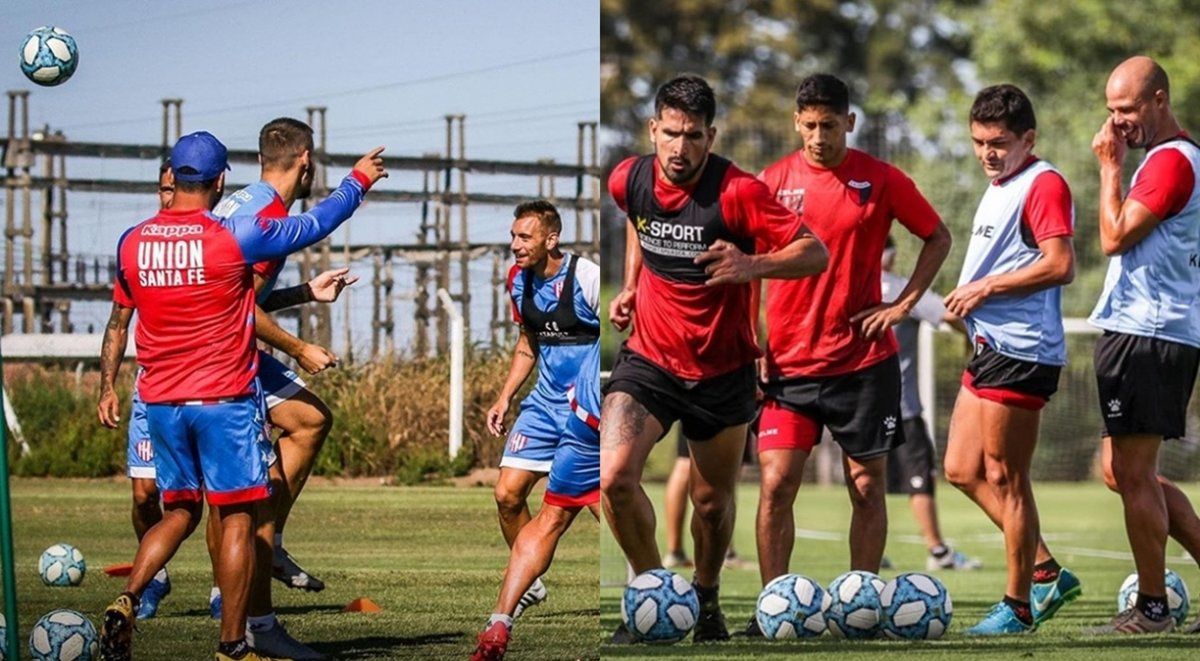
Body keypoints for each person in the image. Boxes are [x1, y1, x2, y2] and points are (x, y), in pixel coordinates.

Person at [96, 131, 385, 661]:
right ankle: (234, 645)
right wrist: (358, 180)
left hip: (160, 399)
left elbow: (118, 323)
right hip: (222, 399)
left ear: (172, 178)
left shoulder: (132, 242)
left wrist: (103, 387)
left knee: (178, 512)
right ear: (222, 178)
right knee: (238, 519)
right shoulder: (233, 237)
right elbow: (319, 223)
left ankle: (127, 598)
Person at [601, 74, 828, 643]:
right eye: (671, 134)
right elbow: (639, 222)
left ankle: (704, 600)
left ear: (712, 135)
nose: (681, 148)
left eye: (695, 136)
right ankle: (652, 593)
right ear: (653, 130)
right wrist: (631, 284)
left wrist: (751, 266)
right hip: (649, 358)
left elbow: (814, 251)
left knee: (710, 504)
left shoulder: (739, 193)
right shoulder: (627, 179)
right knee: (614, 480)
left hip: (722, 370)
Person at [749, 73, 951, 635]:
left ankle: (861, 609)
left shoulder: (880, 179)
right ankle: (773, 608)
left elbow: (938, 236)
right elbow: (745, 266)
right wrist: (751, 340)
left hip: (863, 365)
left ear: (849, 123)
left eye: (829, 125)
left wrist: (904, 303)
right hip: (786, 367)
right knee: (776, 485)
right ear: (796, 122)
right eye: (809, 125)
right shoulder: (771, 183)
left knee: (866, 486)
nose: (818, 136)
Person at [940, 84, 1078, 635]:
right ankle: (1045, 569)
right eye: (978, 142)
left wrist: (984, 289)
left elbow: (1060, 264)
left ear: (1029, 139)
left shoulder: (1042, 183)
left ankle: (1018, 606)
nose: (986, 153)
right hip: (990, 348)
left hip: (1023, 351)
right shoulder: (1000, 184)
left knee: (1005, 476)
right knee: (959, 469)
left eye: (998, 143)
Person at [1089, 56, 1200, 634]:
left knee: (1132, 475)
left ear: (1160, 99)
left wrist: (1110, 169)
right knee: (1123, 471)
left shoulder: (1171, 162)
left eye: (1127, 109)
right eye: (1111, 110)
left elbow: (1112, 237)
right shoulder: (1170, 160)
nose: (1117, 122)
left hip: (1149, 334)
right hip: (1148, 331)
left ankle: (1153, 608)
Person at [472, 201, 601, 660]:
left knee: (599, 507)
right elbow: (528, 342)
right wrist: (505, 396)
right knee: (507, 494)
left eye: (524, 237)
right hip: (543, 404)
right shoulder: (517, 281)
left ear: (551, 239)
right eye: (513, 236)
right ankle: (530, 582)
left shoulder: (587, 277)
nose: (514, 245)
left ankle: (638, 582)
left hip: (586, 407)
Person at [879, 236, 982, 572]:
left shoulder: (847, 287)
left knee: (866, 479)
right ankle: (938, 552)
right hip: (903, 407)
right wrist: (969, 340)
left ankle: (869, 550)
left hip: (862, 405)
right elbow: (951, 313)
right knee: (918, 477)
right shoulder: (900, 288)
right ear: (892, 257)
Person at [119, 160, 176, 620]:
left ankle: (224, 589)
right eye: (163, 189)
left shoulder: (217, 239)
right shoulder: (137, 245)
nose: (169, 197)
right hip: (150, 391)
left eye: (176, 188)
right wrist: (105, 386)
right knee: (144, 494)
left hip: (209, 390)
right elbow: (119, 320)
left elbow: (252, 303)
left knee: (216, 499)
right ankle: (154, 575)